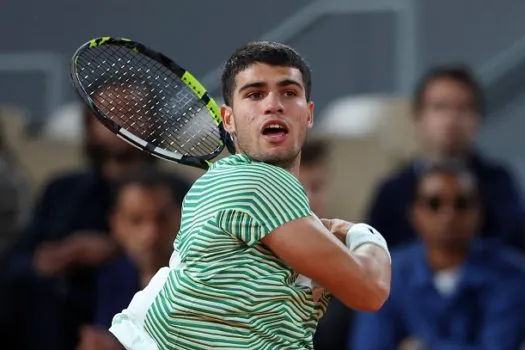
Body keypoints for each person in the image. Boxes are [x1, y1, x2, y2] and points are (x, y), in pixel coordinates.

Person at [108, 41, 392, 350]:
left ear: (308, 114)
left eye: (289, 93)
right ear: (227, 118)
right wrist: (361, 233)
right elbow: (370, 289)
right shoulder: (255, 183)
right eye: (255, 94)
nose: (273, 104)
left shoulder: (227, 184)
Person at [352, 162, 525, 350]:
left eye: (461, 204)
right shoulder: (385, 274)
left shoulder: (510, 275)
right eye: (434, 204)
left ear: (479, 212)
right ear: (414, 213)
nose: (448, 215)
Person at [367, 65, 525, 251]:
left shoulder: (499, 183)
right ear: (418, 117)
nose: (451, 119)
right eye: (440, 107)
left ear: (477, 118)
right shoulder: (391, 191)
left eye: (463, 108)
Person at [77, 167, 187, 350]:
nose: (151, 233)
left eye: (162, 219)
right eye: (136, 220)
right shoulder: (109, 278)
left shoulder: (203, 282)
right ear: (116, 224)